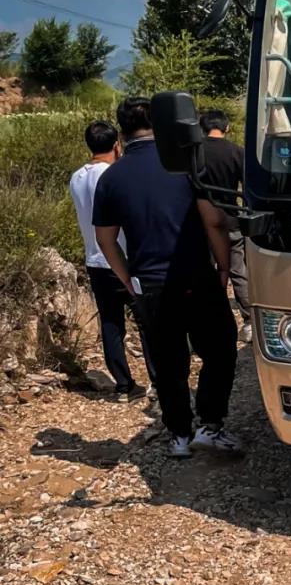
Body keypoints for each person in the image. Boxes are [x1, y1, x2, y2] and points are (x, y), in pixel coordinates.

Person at [92, 96, 242, 459]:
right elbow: (214, 221)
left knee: (169, 362)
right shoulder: (184, 167)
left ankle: (178, 435)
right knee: (221, 348)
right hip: (196, 275)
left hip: (151, 284)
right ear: (160, 125)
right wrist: (223, 267)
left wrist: (128, 279)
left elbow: (105, 239)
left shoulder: (111, 178)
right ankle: (210, 425)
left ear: (121, 135)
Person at [68, 120, 147, 401]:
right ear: (117, 145)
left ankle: (124, 384)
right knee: (146, 319)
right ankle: (160, 380)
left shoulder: (76, 177)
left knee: (111, 324)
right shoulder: (116, 176)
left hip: (94, 259)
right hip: (122, 257)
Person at [198, 109, 251, 343]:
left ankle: (210, 320)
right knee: (238, 270)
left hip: (201, 222)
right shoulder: (237, 152)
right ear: (226, 127)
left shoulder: (195, 152)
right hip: (231, 219)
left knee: (207, 272)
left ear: (202, 128)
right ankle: (249, 321)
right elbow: (248, 189)